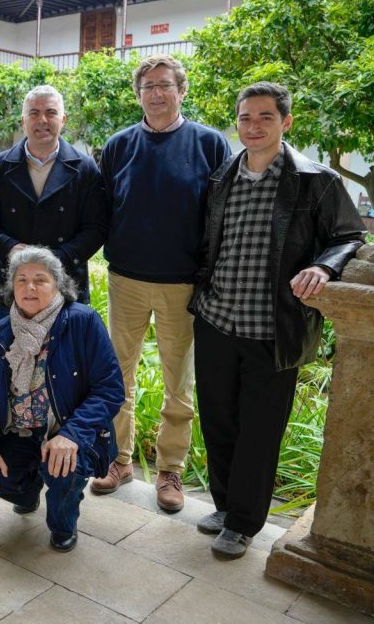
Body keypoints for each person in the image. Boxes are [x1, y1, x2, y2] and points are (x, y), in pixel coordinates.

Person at [189, 83, 364, 558]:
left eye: (265, 117)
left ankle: (244, 523)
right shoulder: (222, 175)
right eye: (246, 118)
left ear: (286, 123)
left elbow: (349, 236)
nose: (254, 126)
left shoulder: (316, 179)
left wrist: (323, 266)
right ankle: (225, 506)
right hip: (216, 319)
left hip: (274, 329)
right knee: (219, 421)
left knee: (260, 430)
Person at [92, 55, 231, 511]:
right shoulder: (118, 144)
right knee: (118, 375)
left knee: (179, 383)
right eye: (148, 86)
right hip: (126, 279)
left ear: (182, 90)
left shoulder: (210, 143)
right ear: (138, 94)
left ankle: (170, 470)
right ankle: (119, 460)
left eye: (165, 85)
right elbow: (104, 208)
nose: (156, 92)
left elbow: (221, 216)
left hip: (182, 284)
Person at [0, 247, 123, 551]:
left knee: (64, 469)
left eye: (40, 280)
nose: (30, 287)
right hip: (21, 430)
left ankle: (63, 521)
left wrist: (71, 435)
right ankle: (27, 491)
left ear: (58, 285)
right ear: (11, 288)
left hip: (69, 431)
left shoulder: (83, 322)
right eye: (21, 280)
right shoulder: (2, 333)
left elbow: (110, 388)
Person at [0, 85, 107, 323]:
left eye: (50, 112)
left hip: (66, 284)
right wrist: (10, 247)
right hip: (10, 286)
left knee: (65, 359)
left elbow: (97, 227)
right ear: (23, 121)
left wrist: (56, 258)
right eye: (34, 113)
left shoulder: (85, 168)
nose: (42, 120)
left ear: (63, 119)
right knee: (6, 358)